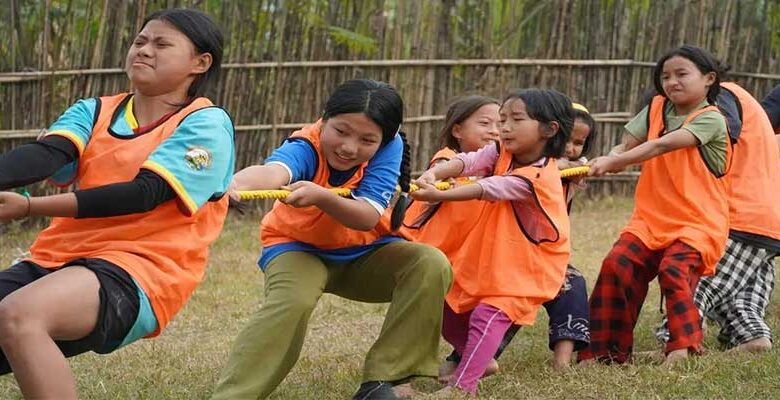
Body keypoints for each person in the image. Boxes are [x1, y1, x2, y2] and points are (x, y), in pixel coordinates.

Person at [0, 8, 233, 399]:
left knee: (21, 314)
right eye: (140, 41)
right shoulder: (93, 110)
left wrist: (28, 208)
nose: (144, 50)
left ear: (200, 62)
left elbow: (143, 195)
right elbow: (45, 156)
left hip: (140, 270)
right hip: (54, 259)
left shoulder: (206, 124)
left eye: (162, 44)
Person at [211, 79, 452, 400]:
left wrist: (322, 197)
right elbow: (274, 173)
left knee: (429, 263)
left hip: (366, 251)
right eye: (340, 131)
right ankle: (234, 396)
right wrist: (235, 181)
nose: (349, 147)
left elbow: (366, 215)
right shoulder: (305, 145)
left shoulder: (390, 148)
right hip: (297, 248)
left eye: (367, 139)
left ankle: (384, 380)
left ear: (385, 139)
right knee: (292, 301)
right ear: (324, 120)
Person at [410, 88, 573, 395]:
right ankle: (480, 360)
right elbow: (470, 161)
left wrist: (440, 193)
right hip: (497, 258)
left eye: (516, 119)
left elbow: (489, 187)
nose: (504, 127)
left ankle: (462, 386)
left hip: (531, 268)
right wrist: (437, 173)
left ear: (550, 129)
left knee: (489, 315)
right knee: (443, 301)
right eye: (502, 119)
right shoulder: (502, 151)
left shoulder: (538, 177)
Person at [579, 44, 731, 365]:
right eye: (665, 76)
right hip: (650, 220)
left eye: (681, 74)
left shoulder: (711, 119)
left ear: (708, 79)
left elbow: (660, 145)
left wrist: (614, 163)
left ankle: (682, 347)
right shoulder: (656, 108)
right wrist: (611, 156)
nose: (672, 82)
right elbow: (627, 144)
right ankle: (603, 351)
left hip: (698, 223)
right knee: (616, 265)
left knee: (673, 270)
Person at [654, 81, 780, 353]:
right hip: (767, 220)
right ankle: (753, 337)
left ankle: (676, 344)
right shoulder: (743, 102)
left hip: (740, 216)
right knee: (741, 296)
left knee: (696, 277)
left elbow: (717, 137)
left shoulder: (720, 99)